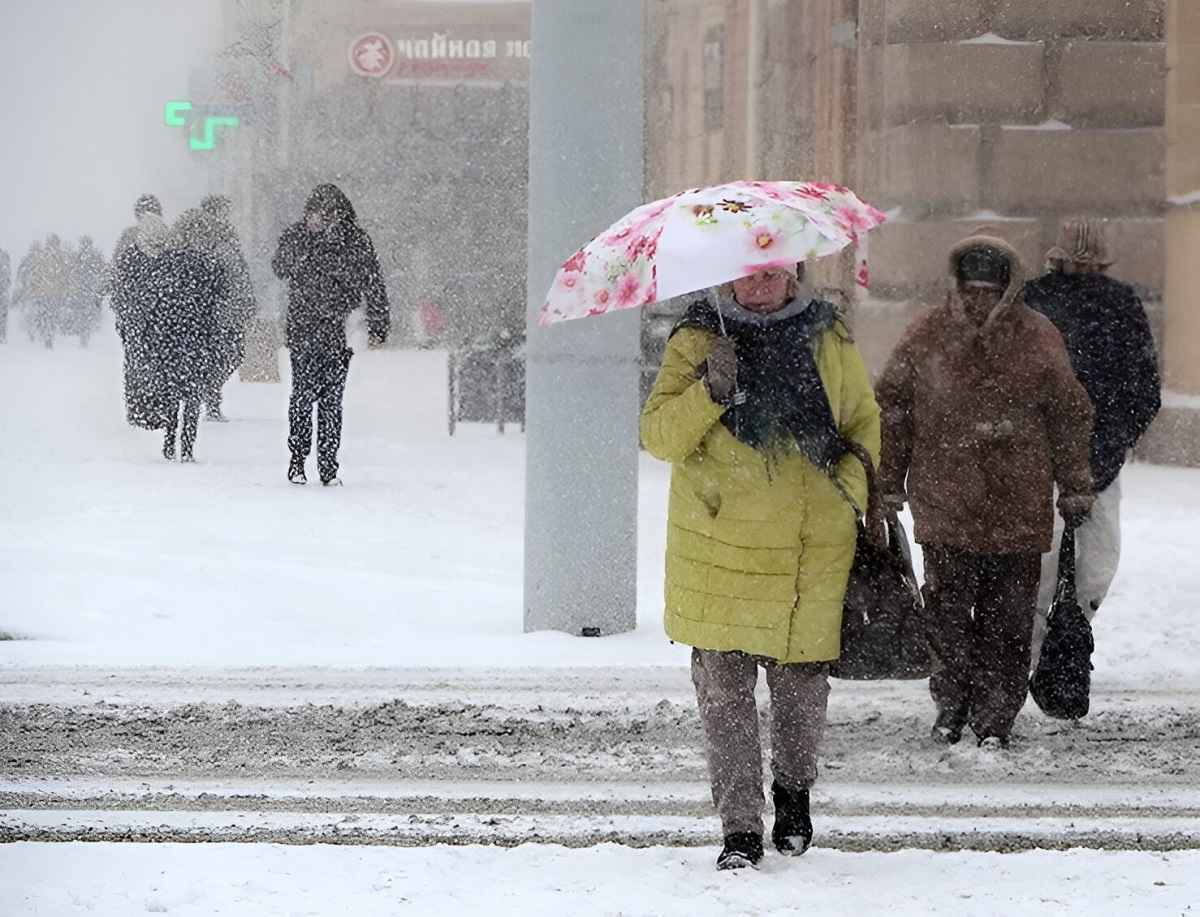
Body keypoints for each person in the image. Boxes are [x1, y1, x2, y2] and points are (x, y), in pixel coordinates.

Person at [640, 263, 881, 870]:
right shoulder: (697, 338)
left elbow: (863, 425)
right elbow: (659, 436)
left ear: (793, 272)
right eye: (748, 269)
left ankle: (794, 794)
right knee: (724, 694)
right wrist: (709, 392)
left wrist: (841, 489)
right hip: (719, 545)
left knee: (802, 689)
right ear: (728, 275)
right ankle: (740, 829)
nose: (761, 281)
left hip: (809, 545)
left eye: (773, 268)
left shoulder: (829, 336)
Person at [876, 233, 1095, 750]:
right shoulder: (928, 333)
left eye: (989, 290)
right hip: (946, 499)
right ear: (956, 287)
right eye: (970, 289)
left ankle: (997, 715)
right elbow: (894, 409)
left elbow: (1068, 414)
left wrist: (1076, 485)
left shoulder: (1038, 336)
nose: (979, 300)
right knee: (947, 615)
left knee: (1010, 619)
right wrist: (888, 482)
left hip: (1018, 503)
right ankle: (951, 706)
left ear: (1007, 289)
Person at [1023, 219, 1162, 668]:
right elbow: (1144, 386)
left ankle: (1043, 647)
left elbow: (1142, 387)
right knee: (1093, 561)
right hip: (1089, 454)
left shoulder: (1034, 298)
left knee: (1048, 562)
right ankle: (1063, 644)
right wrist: (1121, 435)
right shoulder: (1117, 302)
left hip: (1052, 453)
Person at [272, 184, 390, 486]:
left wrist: (378, 321)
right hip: (316, 329)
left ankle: (320, 463)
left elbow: (372, 282)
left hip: (326, 330)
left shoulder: (351, 241)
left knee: (322, 399)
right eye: (312, 213)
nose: (316, 219)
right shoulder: (329, 238)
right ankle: (306, 460)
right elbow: (279, 267)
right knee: (313, 398)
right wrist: (378, 320)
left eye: (322, 213)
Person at [142, 209, 227, 463]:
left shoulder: (164, 262)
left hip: (170, 336)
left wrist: (151, 335)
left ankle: (170, 439)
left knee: (172, 391)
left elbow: (154, 302)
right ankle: (187, 445)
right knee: (193, 394)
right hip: (197, 336)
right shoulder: (210, 265)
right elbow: (216, 303)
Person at [196, 194, 257, 422]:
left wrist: (247, 299)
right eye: (222, 210)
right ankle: (210, 398)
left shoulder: (228, 237)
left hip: (231, 308)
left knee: (233, 354)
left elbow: (240, 273)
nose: (225, 214)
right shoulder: (207, 238)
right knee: (223, 355)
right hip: (218, 311)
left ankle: (210, 393)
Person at [112, 194, 170, 428]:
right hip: (159, 312)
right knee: (159, 358)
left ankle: (137, 407)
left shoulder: (129, 238)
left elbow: (118, 275)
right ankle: (157, 406)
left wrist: (121, 306)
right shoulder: (168, 237)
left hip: (133, 311)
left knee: (135, 358)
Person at [28, 234, 69, 349]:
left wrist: (35, 287)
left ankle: (46, 335)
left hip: (46, 293)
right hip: (51, 294)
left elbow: (37, 274)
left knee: (47, 316)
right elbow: (63, 276)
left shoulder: (45, 256)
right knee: (49, 316)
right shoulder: (58, 258)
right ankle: (47, 336)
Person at [66, 236, 106, 347]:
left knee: (83, 314)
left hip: (82, 290)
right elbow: (102, 270)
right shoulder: (94, 256)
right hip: (88, 290)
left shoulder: (78, 257)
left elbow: (72, 272)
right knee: (87, 313)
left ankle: (84, 334)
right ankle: (86, 334)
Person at [0, 247, 10, 343]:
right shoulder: (4, 257)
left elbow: (7, 278)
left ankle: (2, 335)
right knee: (3, 316)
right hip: (3, 294)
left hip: (3, 294)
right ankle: (2, 335)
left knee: (3, 316)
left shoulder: (4, 257)